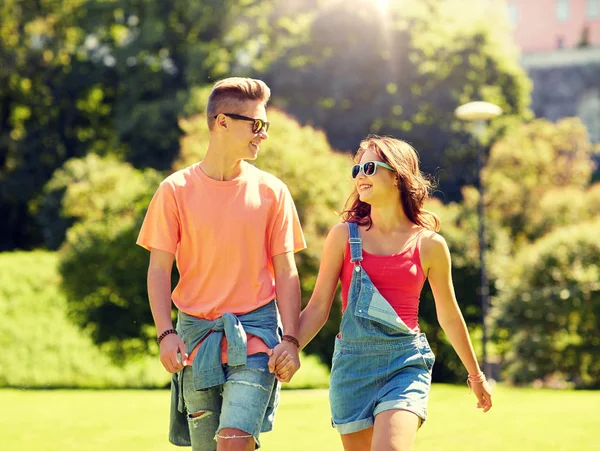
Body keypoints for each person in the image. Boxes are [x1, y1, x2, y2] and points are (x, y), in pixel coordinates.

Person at [275, 135, 492, 450]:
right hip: (352, 369)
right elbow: (319, 307)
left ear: (397, 174)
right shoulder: (342, 238)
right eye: (356, 170)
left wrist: (476, 375)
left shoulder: (429, 245)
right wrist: (290, 344)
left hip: (405, 363)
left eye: (369, 167)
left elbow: (449, 314)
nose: (360, 175)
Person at [136, 77, 305, 451]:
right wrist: (166, 334)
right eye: (255, 125)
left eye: (266, 126)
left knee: (233, 440)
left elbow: (287, 272)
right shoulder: (174, 191)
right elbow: (159, 270)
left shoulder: (272, 191)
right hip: (195, 339)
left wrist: (291, 339)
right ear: (222, 122)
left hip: (257, 338)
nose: (262, 135)